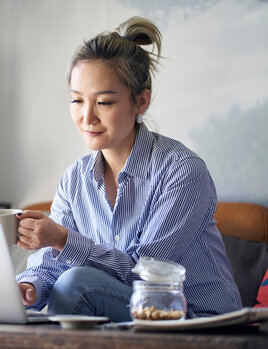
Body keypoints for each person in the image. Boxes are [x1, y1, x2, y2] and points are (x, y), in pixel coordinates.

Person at [15, 16, 242, 321]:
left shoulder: (184, 172)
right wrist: (28, 286)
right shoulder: (74, 180)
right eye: (77, 100)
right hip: (129, 319)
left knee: (75, 286)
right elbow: (51, 265)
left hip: (202, 323)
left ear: (141, 102)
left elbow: (144, 275)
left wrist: (63, 238)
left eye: (104, 103)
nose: (87, 117)